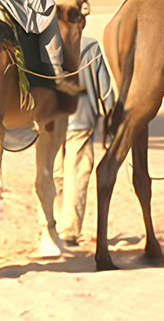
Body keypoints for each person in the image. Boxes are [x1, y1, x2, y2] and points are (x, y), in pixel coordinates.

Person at [53, 36, 114, 244]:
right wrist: (111, 117)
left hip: (51, 119)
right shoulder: (90, 45)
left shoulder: (46, 45)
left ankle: (55, 227)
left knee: (56, 175)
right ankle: (68, 231)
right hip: (81, 118)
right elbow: (105, 89)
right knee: (76, 174)